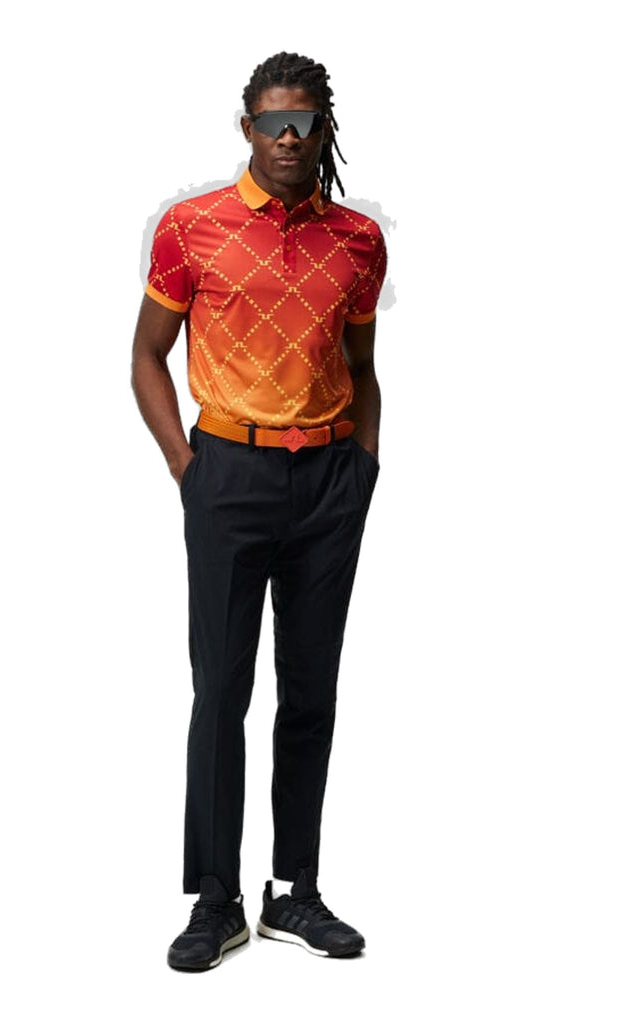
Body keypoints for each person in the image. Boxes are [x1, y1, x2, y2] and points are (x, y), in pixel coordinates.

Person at [131, 51, 387, 972]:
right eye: (273, 121)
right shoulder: (191, 228)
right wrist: (186, 465)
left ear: (323, 129)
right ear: (248, 128)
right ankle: (217, 899)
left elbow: (362, 368)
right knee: (222, 693)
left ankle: (295, 891)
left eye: (304, 122)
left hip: (328, 482)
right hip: (227, 475)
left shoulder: (359, 240)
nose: (288, 137)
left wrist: (363, 467)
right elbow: (147, 356)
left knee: (311, 691)